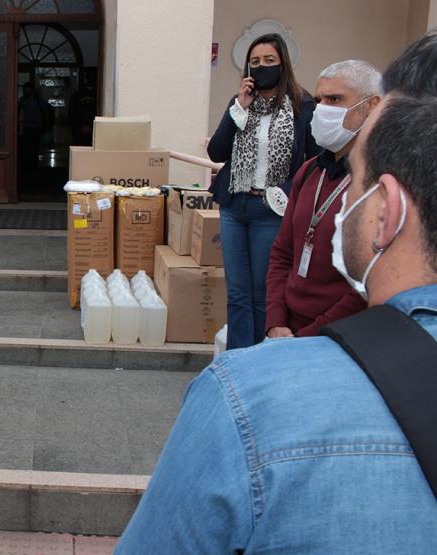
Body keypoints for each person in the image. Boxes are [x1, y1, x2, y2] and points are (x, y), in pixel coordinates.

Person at [115, 31, 437, 554]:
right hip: (246, 220)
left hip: (282, 247)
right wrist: (275, 331)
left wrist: (293, 350)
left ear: (387, 210)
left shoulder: (241, 407)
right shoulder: (288, 146)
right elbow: (227, 162)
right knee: (243, 296)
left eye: (359, 179)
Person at [208, 33, 321, 349]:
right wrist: (239, 109)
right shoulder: (240, 103)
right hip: (234, 204)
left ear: (282, 63)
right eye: (255, 62)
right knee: (237, 291)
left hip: (271, 209)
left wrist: (285, 191)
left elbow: (313, 160)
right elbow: (216, 153)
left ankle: (257, 357)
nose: (261, 67)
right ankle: (238, 358)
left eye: (268, 60)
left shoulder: (303, 105)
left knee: (262, 291)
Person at [266, 61, 382, 338]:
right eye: (319, 100)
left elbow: (367, 282)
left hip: (339, 334)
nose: (322, 109)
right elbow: (282, 253)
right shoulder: (309, 172)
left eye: (335, 99)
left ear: (371, 105)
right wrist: (275, 321)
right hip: (288, 329)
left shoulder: (380, 183)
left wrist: (309, 337)